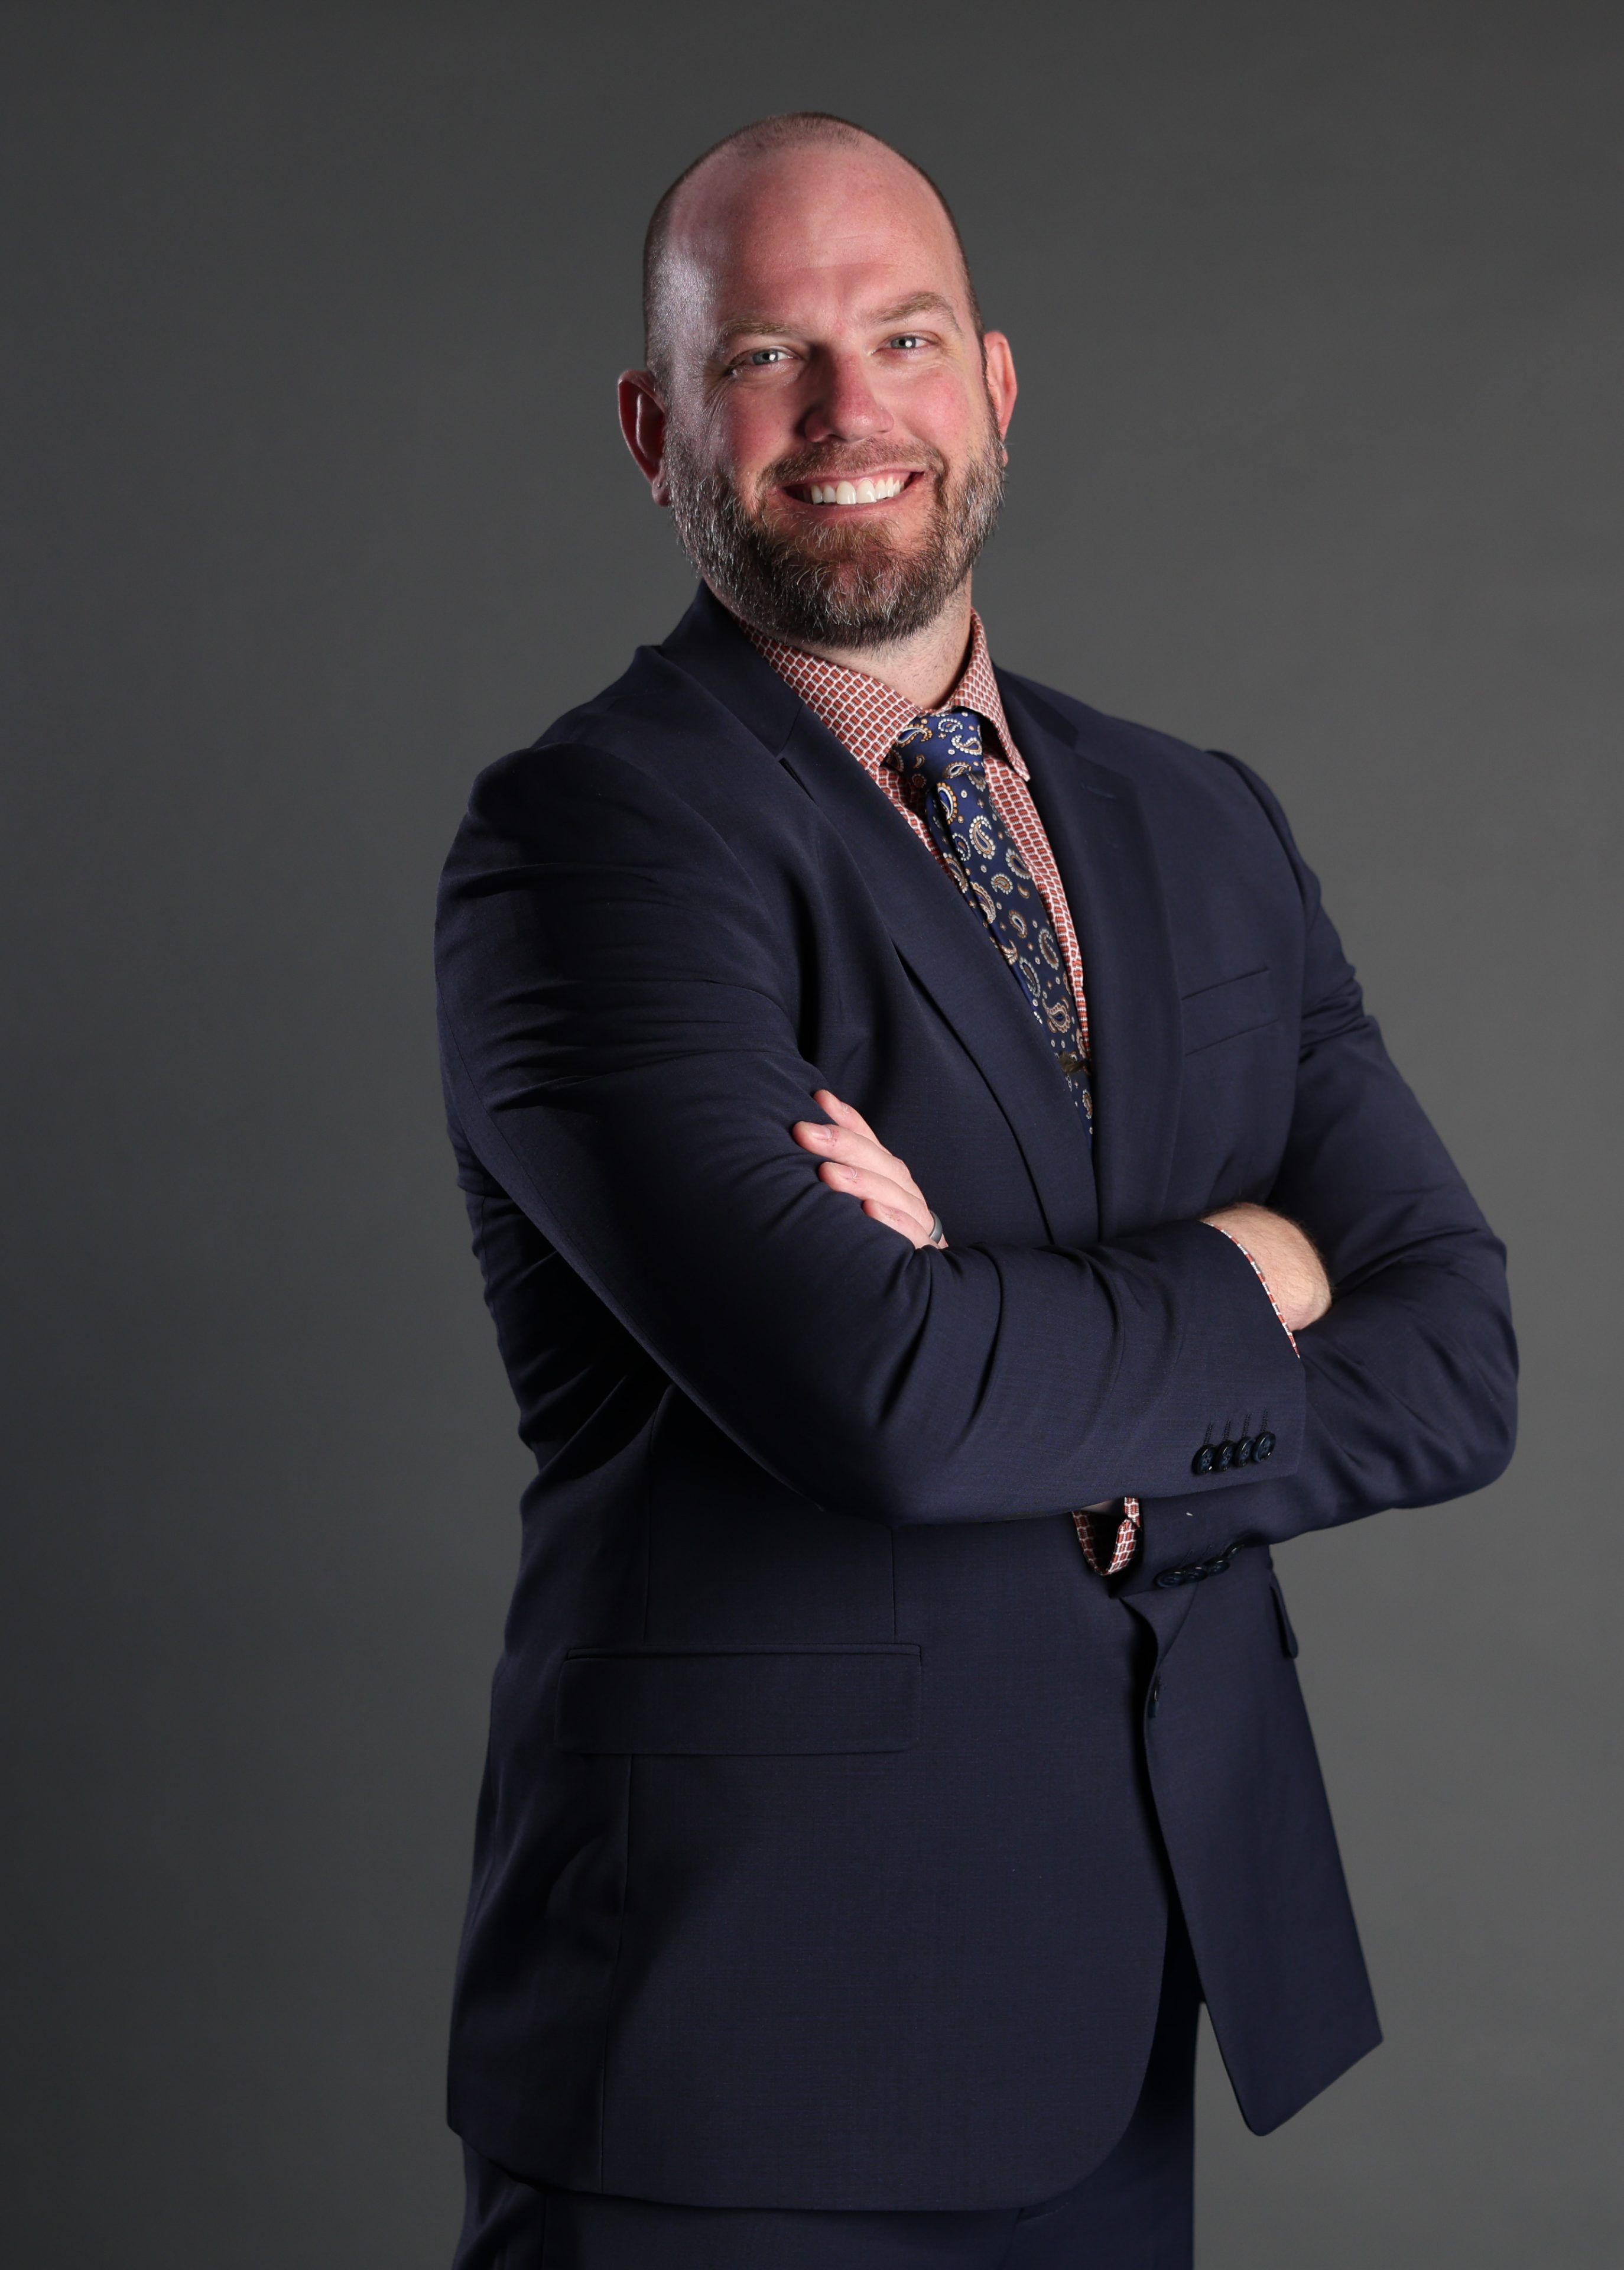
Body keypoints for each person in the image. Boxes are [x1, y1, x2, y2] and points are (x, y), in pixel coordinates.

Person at [434, 111, 1515, 2269]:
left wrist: (1128, 1446)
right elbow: (885, 1402)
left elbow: (1458, 1350)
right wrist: (1257, 1255)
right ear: (658, 426)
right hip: (732, 2072)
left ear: (994, 390)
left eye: (904, 340)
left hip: (1115, 2013)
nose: (852, 417)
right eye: (768, 357)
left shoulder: (1201, 822)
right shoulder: (592, 840)